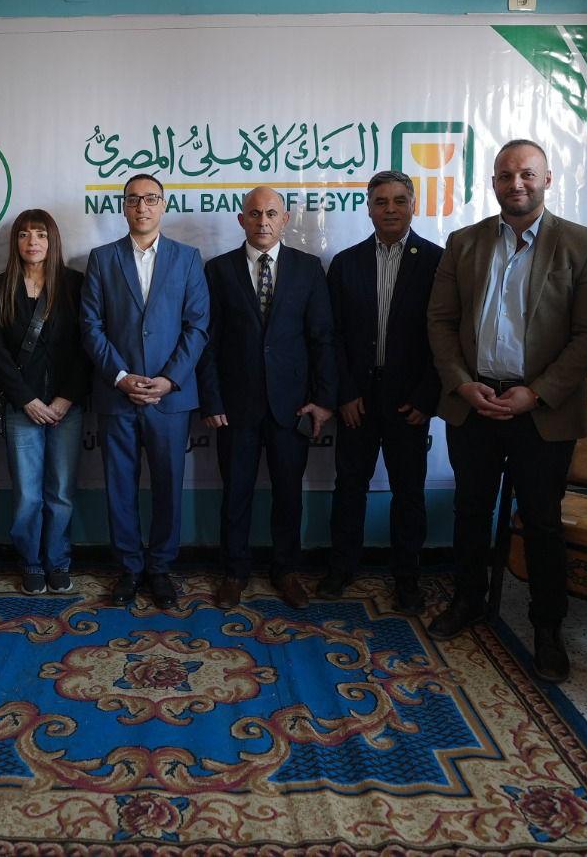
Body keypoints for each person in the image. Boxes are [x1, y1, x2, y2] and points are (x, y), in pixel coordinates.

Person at [425, 140, 587, 682]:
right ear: (493, 182)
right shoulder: (464, 243)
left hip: (542, 410)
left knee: (542, 521)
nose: (517, 184)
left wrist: (537, 392)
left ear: (547, 179)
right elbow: (440, 321)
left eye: (527, 174)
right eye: (506, 175)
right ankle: (468, 600)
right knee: (470, 509)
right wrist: (462, 384)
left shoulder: (583, 245)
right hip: (475, 403)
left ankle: (547, 627)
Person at [196, 186, 337, 610]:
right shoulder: (218, 270)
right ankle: (234, 572)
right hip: (235, 407)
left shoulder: (308, 269)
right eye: (255, 214)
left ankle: (286, 570)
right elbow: (207, 342)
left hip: (291, 406)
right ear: (241, 219)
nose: (263, 221)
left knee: (288, 493)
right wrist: (211, 400)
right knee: (235, 493)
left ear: (285, 219)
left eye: (271, 213)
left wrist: (323, 400)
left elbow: (322, 339)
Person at [80, 172, 210, 609]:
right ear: (123, 206)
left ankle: (160, 567)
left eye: (151, 199)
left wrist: (169, 379)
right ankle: (130, 567)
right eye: (134, 199)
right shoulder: (101, 259)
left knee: (169, 485)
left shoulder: (188, 259)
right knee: (119, 486)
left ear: (163, 205)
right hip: (118, 394)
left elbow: (197, 326)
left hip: (169, 397)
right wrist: (120, 376)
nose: (142, 207)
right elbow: (91, 326)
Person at [321, 171, 443, 611]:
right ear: (369, 208)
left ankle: (407, 577)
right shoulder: (346, 263)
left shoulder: (438, 262)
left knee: (408, 491)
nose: (390, 209)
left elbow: (446, 336)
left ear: (414, 205)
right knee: (349, 486)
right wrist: (344, 392)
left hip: (409, 400)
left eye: (399, 200)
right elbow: (332, 335)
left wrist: (427, 396)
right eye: (381, 201)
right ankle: (341, 567)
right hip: (357, 398)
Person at [0, 209, 87, 595]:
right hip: (21, 407)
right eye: (24, 234)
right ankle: (30, 562)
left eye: (40, 234)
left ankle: (57, 561)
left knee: (60, 492)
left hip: (66, 407)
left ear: (52, 240)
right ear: (16, 242)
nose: (33, 242)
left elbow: (87, 346)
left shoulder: (74, 284)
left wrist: (66, 398)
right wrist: (26, 399)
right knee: (27, 494)